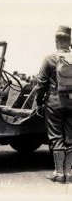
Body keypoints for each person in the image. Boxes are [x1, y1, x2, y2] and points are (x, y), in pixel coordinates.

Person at [36, 25, 72, 184]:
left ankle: (59, 174)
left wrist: (38, 102)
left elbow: (41, 84)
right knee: (70, 138)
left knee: (56, 137)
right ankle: (69, 174)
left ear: (57, 40)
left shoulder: (50, 59)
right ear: (69, 41)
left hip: (54, 102)